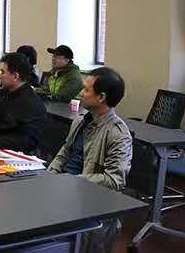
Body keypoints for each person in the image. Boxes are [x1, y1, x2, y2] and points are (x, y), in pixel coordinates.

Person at [48, 67, 132, 253]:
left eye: (86, 90)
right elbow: (64, 152)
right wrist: (50, 176)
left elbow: (114, 180)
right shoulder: (80, 121)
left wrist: (71, 182)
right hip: (63, 189)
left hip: (84, 198)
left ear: (101, 97)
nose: (81, 93)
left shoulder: (118, 134)